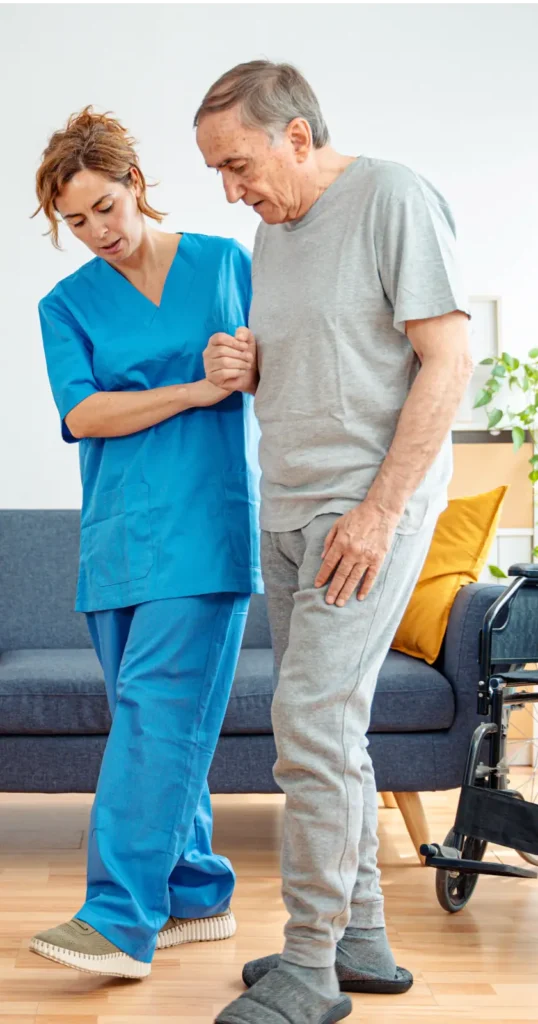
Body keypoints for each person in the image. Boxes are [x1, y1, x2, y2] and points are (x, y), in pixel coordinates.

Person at [196, 61, 473, 1024]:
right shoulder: (272, 233)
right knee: (332, 731)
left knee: (309, 728)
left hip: (361, 515)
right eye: (217, 173)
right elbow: (329, 354)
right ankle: (359, 940)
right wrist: (247, 362)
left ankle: (309, 966)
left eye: (238, 165)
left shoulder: (391, 196)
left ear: (297, 136)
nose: (231, 191)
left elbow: (448, 361)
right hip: (286, 510)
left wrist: (380, 511)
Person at [30, 107, 262, 979]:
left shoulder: (225, 263)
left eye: (105, 207)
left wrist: (247, 371)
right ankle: (195, 893)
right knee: (159, 719)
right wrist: (195, 391)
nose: (97, 231)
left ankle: (120, 917)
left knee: (157, 714)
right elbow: (84, 412)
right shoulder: (65, 304)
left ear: (135, 184)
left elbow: (275, 365)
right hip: (118, 537)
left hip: (205, 525)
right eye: (75, 221)